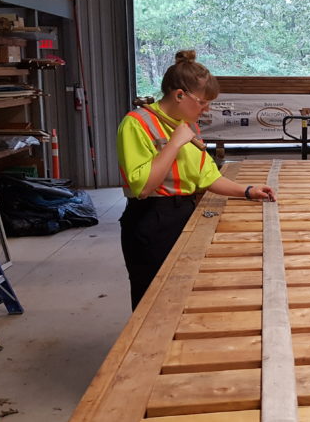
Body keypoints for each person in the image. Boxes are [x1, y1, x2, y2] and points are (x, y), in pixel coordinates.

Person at [117, 50, 275, 309]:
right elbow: (143, 186)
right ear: (180, 95)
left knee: (183, 292)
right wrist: (175, 143)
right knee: (152, 300)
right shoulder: (136, 124)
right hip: (150, 220)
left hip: (184, 213)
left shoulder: (186, 124)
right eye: (202, 102)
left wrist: (247, 191)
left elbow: (206, 176)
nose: (206, 109)